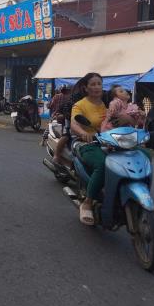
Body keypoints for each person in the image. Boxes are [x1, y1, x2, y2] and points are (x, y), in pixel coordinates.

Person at [70, 73, 107, 225]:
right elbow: (74, 124)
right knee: (103, 165)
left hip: (108, 142)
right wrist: (84, 134)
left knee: (142, 156)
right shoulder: (80, 105)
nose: (97, 87)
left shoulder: (107, 103)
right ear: (86, 88)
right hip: (86, 143)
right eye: (93, 84)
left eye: (99, 83)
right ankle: (88, 202)